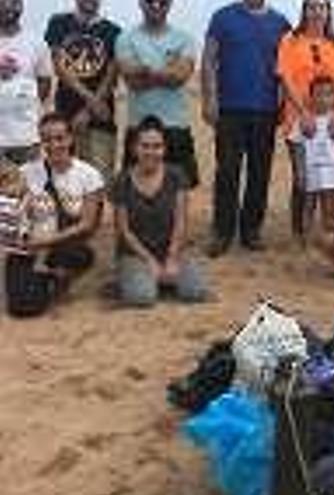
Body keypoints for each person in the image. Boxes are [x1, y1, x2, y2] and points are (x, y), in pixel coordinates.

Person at [202, 0, 290, 257]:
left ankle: (251, 230)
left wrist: (283, 103)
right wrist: (209, 98)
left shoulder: (281, 23)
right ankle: (222, 232)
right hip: (230, 108)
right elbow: (208, 60)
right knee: (227, 171)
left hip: (265, 109)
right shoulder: (222, 17)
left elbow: (285, 68)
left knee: (259, 172)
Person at [4, 113, 104, 318]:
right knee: (22, 307)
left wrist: (47, 240)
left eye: (59, 138)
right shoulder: (26, 172)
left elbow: (87, 224)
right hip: (28, 246)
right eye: (47, 140)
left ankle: (60, 277)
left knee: (81, 255)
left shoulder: (89, 175)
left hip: (63, 244)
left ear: (71, 139)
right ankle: (47, 279)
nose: (54, 145)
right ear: (41, 142)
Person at [111, 116, 207, 308]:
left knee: (195, 291)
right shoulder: (122, 180)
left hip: (170, 249)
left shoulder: (177, 175)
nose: (151, 152)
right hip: (135, 253)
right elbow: (124, 231)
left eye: (157, 146)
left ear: (164, 149)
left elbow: (181, 222)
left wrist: (171, 257)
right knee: (143, 297)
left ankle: (157, 277)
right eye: (144, 146)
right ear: (134, 148)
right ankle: (146, 278)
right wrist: (149, 260)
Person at [277, 0, 334, 240]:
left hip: (330, 125)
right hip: (299, 122)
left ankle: (329, 230)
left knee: (331, 178)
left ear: (328, 11)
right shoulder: (290, 40)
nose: (317, 12)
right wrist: (304, 113)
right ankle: (300, 232)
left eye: (322, 6)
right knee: (303, 179)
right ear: (304, 11)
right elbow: (285, 78)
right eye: (311, 6)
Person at [116, 0, 199, 190]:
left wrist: (144, 69)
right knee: (135, 191)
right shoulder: (125, 38)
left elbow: (180, 77)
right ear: (140, 4)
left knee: (180, 189)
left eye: (162, 2)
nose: (156, 5)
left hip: (176, 125)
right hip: (138, 126)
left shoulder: (185, 38)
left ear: (170, 4)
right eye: (150, 1)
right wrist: (168, 68)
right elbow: (133, 83)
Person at [44, 0, 121, 178]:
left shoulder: (114, 31)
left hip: (101, 120)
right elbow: (59, 67)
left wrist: (88, 111)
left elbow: (112, 76)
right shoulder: (58, 23)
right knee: (65, 181)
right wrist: (91, 101)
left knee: (100, 180)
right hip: (66, 117)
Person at [0, 0, 53, 167]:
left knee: (29, 189)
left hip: (27, 137)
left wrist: (24, 103)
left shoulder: (37, 42)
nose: (8, 7)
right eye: (3, 2)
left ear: (21, 6)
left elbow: (45, 82)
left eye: (14, 2)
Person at [292, 76, 334, 237]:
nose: (323, 99)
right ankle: (306, 236)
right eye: (319, 94)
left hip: (332, 172)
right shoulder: (303, 121)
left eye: (328, 94)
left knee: (329, 206)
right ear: (311, 97)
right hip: (311, 171)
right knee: (308, 205)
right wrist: (300, 171)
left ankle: (328, 237)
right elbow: (297, 147)